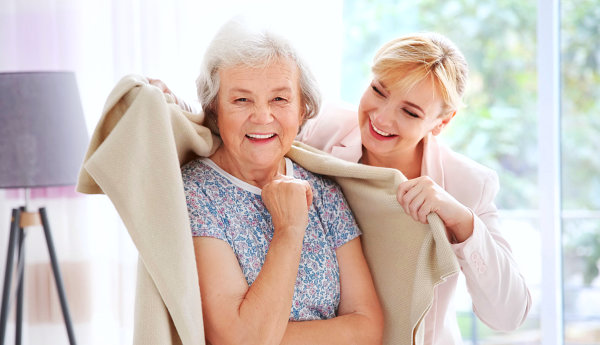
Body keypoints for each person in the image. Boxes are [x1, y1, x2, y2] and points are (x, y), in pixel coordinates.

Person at [153, 31, 531, 345]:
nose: (382, 117)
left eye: (410, 111)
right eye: (379, 91)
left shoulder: (468, 184)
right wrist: (173, 113)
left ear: (441, 123)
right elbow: (256, 124)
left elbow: (508, 315)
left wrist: (463, 223)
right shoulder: (326, 129)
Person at [179, 19, 383, 345]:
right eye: (241, 100)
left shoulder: (325, 192)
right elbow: (240, 340)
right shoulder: (196, 193)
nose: (262, 117)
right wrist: (289, 230)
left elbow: (369, 328)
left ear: (303, 109)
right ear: (215, 109)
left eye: (279, 99)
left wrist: (270, 335)